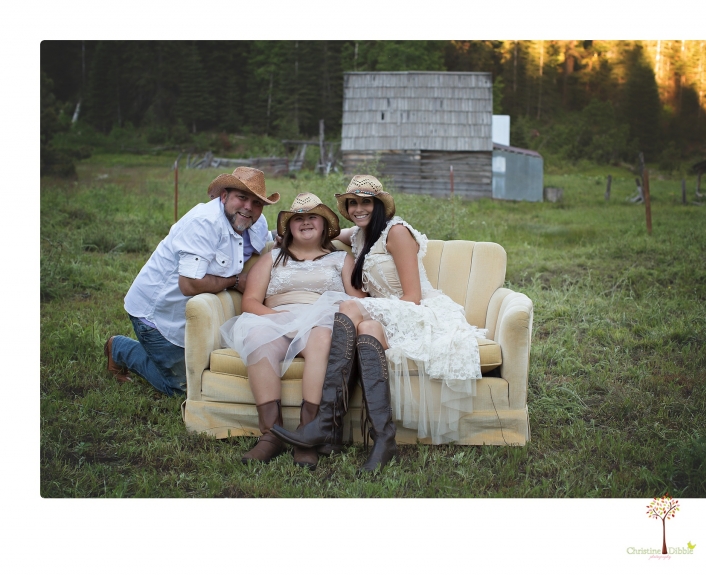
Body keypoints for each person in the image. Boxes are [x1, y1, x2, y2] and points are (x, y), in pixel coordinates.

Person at [273, 175, 488, 472]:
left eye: (366, 202)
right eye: (353, 203)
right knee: (367, 328)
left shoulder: (396, 232)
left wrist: (365, 306)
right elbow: (327, 235)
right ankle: (384, 440)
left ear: (379, 205)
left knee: (349, 306)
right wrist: (279, 238)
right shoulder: (360, 234)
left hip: (420, 312)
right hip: (384, 320)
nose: (359, 208)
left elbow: (412, 297)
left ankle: (325, 423)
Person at [220, 193, 365, 469]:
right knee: (257, 338)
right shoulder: (271, 258)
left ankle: (306, 435)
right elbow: (250, 301)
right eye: (299, 218)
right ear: (289, 227)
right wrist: (278, 318)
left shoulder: (340, 259)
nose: (306, 222)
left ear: (324, 225)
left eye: (313, 217)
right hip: (275, 317)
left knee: (323, 338)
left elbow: (357, 299)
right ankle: (271, 435)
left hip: (321, 319)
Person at [104, 167, 278, 396]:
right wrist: (235, 281)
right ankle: (119, 348)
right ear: (224, 196)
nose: (249, 207)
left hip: (193, 315)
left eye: (256, 203)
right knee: (183, 388)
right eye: (242, 198)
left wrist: (288, 236)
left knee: (203, 373)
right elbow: (189, 284)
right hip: (158, 315)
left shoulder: (255, 221)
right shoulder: (204, 223)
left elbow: (263, 239)